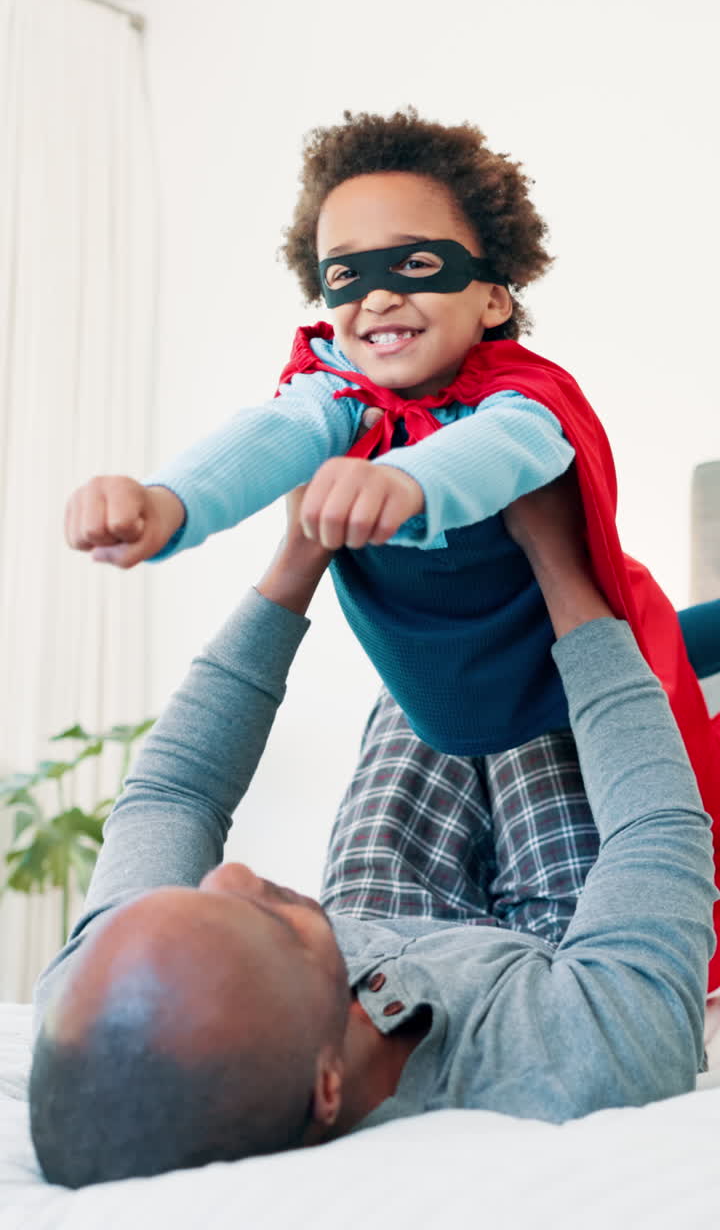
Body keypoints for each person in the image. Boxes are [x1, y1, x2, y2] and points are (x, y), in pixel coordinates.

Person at [62, 107, 720, 983]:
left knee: (583, 891)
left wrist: (409, 485)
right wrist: (164, 503)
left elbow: (503, 453)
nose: (376, 295)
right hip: (434, 696)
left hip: (563, 677)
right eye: (347, 275)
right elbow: (268, 440)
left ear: (493, 296)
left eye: (415, 265)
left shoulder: (522, 398)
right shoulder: (333, 395)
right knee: (375, 906)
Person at [30, 472, 717, 1187]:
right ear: (327, 1089)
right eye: (268, 925)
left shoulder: (103, 997)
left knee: (440, 682)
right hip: (554, 954)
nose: (232, 876)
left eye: (206, 898)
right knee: (538, 669)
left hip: (377, 911)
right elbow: (655, 824)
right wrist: (556, 555)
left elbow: (173, 795)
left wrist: (301, 550)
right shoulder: (583, 1056)